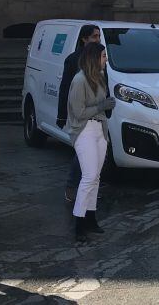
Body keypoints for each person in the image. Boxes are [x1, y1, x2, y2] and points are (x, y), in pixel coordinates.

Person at [67, 42, 116, 242]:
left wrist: (104, 107)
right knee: (88, 177)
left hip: (99, 128)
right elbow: (78, 113)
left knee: (95, 177)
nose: (105, 59)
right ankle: (79, 224)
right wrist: (101, 106)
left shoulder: (101, 77)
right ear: (93, 58)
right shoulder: (79, 80)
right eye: (103, 56)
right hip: (84, 130)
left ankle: (91, 219)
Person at [57, 24, 102, 202]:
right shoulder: (73, 59)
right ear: (84, 39)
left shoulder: (101, 58)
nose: (97, 40)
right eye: (94, 37)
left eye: (98, 36)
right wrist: (61, 114)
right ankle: (72, 185)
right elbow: (65, 88)